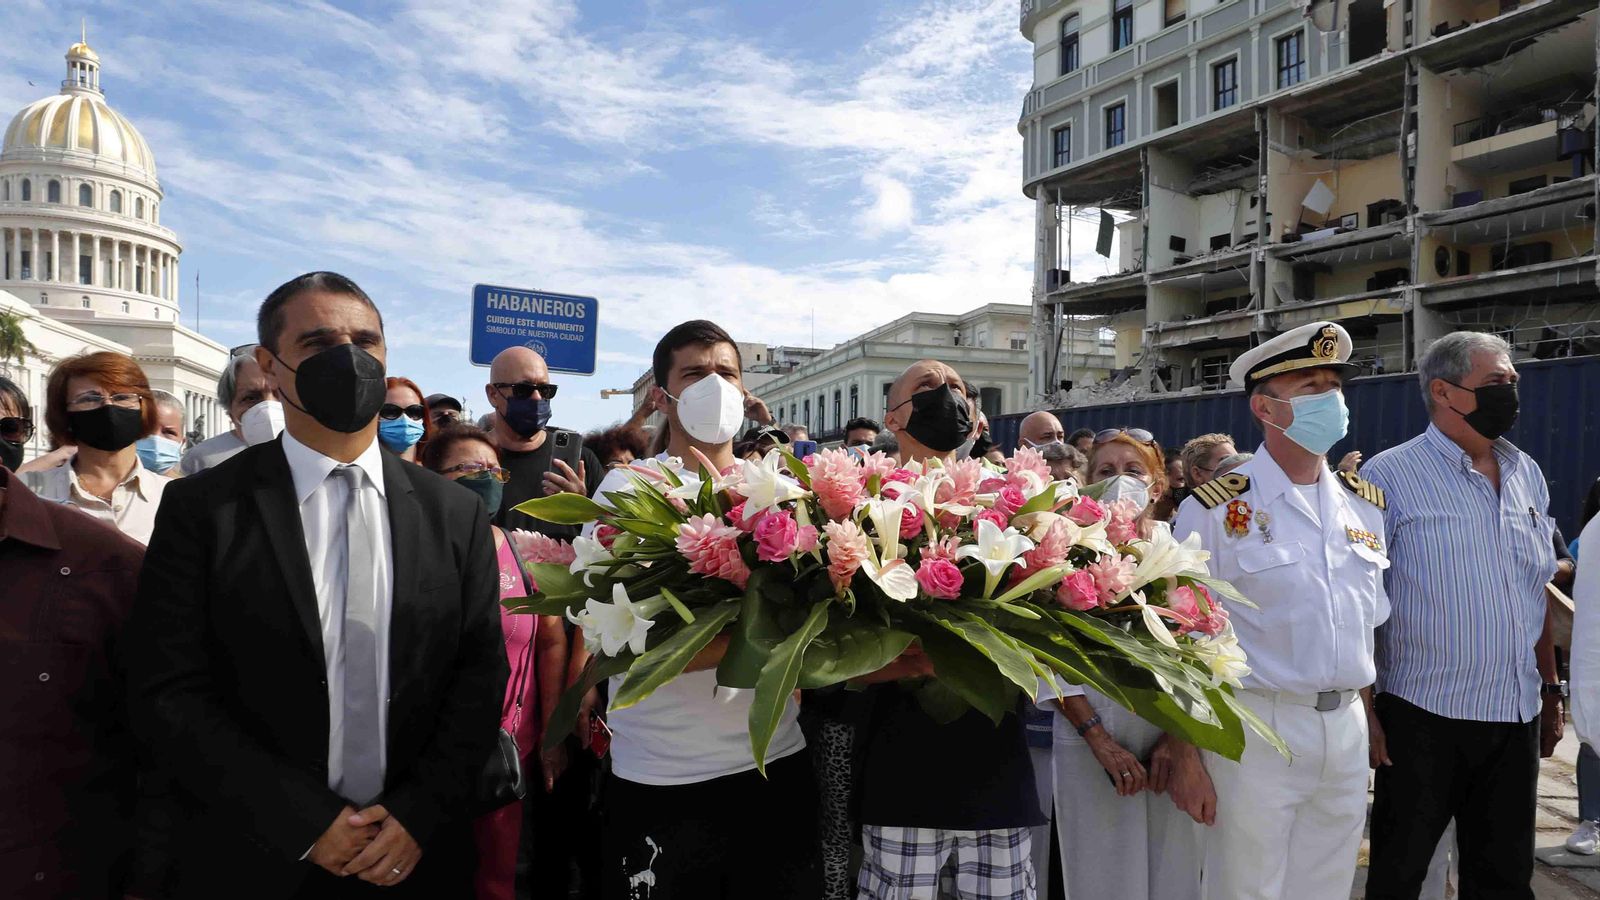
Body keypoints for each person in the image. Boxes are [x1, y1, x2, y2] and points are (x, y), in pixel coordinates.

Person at [126, 271, 508, 898]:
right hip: (257, 856)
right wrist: (303, 821)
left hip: (414, 855)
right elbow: (169, 687)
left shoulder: (454, 512)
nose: (349, 359)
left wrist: (418, 812)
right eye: (319, 343)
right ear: (269, 368)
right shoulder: (204, 509)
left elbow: (479, 673)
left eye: (365, 341)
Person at [581, 320, 819, 899]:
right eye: (694, 373)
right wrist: (774, 643)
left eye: (726, 373)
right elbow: (621, 642)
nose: (714, 385)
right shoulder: (628, 490)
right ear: (662, 396)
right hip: (664, 777)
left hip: (775, 763)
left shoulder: (781, 487)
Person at [1173, 321, 1388, 900]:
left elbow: (1362, 627)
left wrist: (1368, 718)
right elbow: (1182, 641)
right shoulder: (1214, 509)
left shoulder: (1363, 507)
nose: (1329, 398)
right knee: (1244, 888)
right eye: (1310, 385)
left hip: (1343, 728)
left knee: (1327, 887)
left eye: (1334, 385)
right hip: (1255, 725)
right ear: (1265, 407)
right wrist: (1186, 751)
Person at [1364, 331, 1564, 899]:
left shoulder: (1526, 472)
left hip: (1515, 714)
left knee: (1504, 882)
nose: (1511, 391)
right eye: (1496, 381)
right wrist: (1368, 713)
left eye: (1512, 380)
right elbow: (1364, 604)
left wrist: (1551, 689)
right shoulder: (1389, 476)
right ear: (1443, 392)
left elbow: (1534, 591)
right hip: (1422, 718)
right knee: (1399, 878)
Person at [853, 359, 1042, 900]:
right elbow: (828, 660)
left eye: (957, 388)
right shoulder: (859, 503)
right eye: (927, 387)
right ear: (892, 417)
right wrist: (915, 660)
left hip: (996, 772)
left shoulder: (1014, 503)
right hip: (900, 775)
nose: (946, 396)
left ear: (977, 420)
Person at [0, 374, 155, 899]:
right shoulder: (44, 494)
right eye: (90, 398)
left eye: (8, 428)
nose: (108, 409)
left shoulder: (112, 558)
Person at [1046, 429, 1200, 900]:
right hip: (1087, 737)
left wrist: (1176, 739)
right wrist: (1099, 739)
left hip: (1164, 738)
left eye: (1133, 471)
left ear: (1157, 485)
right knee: (1100, 874)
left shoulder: (1178, 548)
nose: (1120, 481)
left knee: (1171, 873)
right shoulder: (1066, 547)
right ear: (1088, 481)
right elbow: (1047, 653)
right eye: (1106, 471)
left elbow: (1200, 648)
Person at [420, 423, 568, 900]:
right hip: (422, 761)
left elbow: (550, 641)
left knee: (499, 881)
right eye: (468, 468)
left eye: (494, 471)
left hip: (504, 759)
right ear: (430, 479)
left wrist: (551, 735)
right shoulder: (407, 550)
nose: (485, 478)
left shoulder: (520, 552)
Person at [37, 352, 172, 545]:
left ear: (143, 407)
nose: (108, 406)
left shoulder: (174, 495)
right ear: (64, 414)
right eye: (89, 399)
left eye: (122, 397)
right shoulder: (32, 493)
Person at [484, 347, 603, 539]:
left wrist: (582, 508)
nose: (537, 397)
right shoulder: (473, 462)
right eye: (523, 390)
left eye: (545, 390)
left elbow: (609, 539)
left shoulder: (581, 461)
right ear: (493, 394)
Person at [178, 347, 284, 475]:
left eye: (281, 394)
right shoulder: (201, 461)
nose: (268, 407)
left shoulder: (307, 456)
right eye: (251, 398)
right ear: (231, 413)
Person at [379, 376, 432, 463]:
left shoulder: (437, 468)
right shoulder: (359, 469)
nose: (404, 419)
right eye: (390, 411)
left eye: (414, 411)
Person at [137, 389, 187, 476]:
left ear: (182, 443)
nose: (156, 439)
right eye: (146, 428)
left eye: (169, 432)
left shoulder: (193, 485)